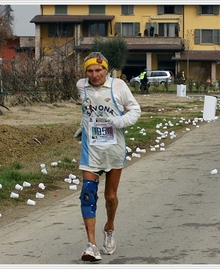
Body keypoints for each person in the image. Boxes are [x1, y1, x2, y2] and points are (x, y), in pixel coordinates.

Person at [75, 52, 141, 262]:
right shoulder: (81, 86)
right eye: (90, 71)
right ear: (85, 72)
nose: (95, 75)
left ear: (106, 69)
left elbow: (135, 110)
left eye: (99, 70)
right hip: (91, 149)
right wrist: (83, 128)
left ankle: (109, 227)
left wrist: (120, 121)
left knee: (110, 197)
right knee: (88, 194)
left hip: (113, 148)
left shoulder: (119, 86)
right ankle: (91, 245)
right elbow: (87, 111)